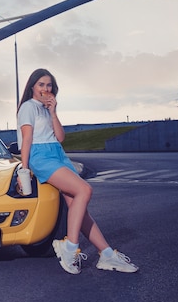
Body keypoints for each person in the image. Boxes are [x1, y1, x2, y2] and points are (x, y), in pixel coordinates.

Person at [17, 68, 138, 275]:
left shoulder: (47, 108)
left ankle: (106, 254)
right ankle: (70, 246)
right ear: (32, 87)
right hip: (41, 156)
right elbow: (26, 139)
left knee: (78, 207)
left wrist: (53, 112)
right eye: (41, 85)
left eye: (49, 85)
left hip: (57, 152)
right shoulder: (28, 107)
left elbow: (61, 137)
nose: (46, 89)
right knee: (84, 190)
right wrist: (25, 169)